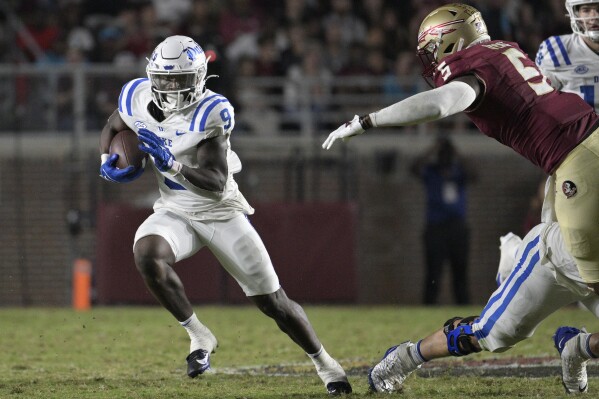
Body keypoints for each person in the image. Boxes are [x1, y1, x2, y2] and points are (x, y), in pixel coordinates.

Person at [321, 2, 599, 392]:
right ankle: (407, 355)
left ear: (447, 41)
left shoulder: (474, 64)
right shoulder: (502, 49)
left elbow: (442, 102)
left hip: (581, 174)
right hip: (577, 168)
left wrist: (368, 120)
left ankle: (542, 293)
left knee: (503, 325)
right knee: (494, 333)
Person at [98, 35, 351, 396]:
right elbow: (112, 128)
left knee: (273, 303)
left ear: (199, 78)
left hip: (220, 212)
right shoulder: (136, 95)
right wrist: (105, 161)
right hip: (175, 209)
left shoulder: (211, 111)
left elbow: (215, 182)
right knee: (146, 254)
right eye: (164, 79)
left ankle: (325, 363)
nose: (170, 87)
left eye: (178, 80)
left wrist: (173, 165)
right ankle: (198, 335)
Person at [366, 220, 599, 394]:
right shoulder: (584, 163)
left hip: (591, 275)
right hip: (553, 260)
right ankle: (406, 357)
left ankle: (577, 347)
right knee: (489, 334)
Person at [410, 136, 476, 305]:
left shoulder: (459, 171)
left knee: (460, 272)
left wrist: (457, 152)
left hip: (457, 228)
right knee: (433, 272)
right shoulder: (431, 171)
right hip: (436, 228)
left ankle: (464, 307)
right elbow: (414, 168)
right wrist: (433, 148)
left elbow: (474, 175)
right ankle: (428, 306)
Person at [536, 0, 599, 113]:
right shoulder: (557, 50)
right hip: (582, 130)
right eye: (586, 10)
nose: (594, 16)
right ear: (575, 13)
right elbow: (541, 104)